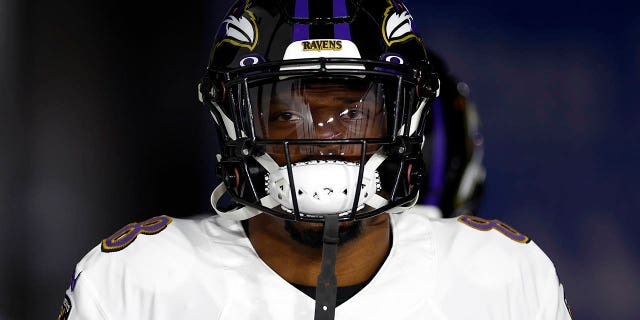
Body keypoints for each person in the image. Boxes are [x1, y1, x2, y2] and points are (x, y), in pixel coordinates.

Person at [59, 0, 572, 319]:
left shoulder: (503, 276)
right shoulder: (137, 281)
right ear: (237, 123)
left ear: (404, 121)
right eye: (287, 115)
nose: (323, 139)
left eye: (352, 114)